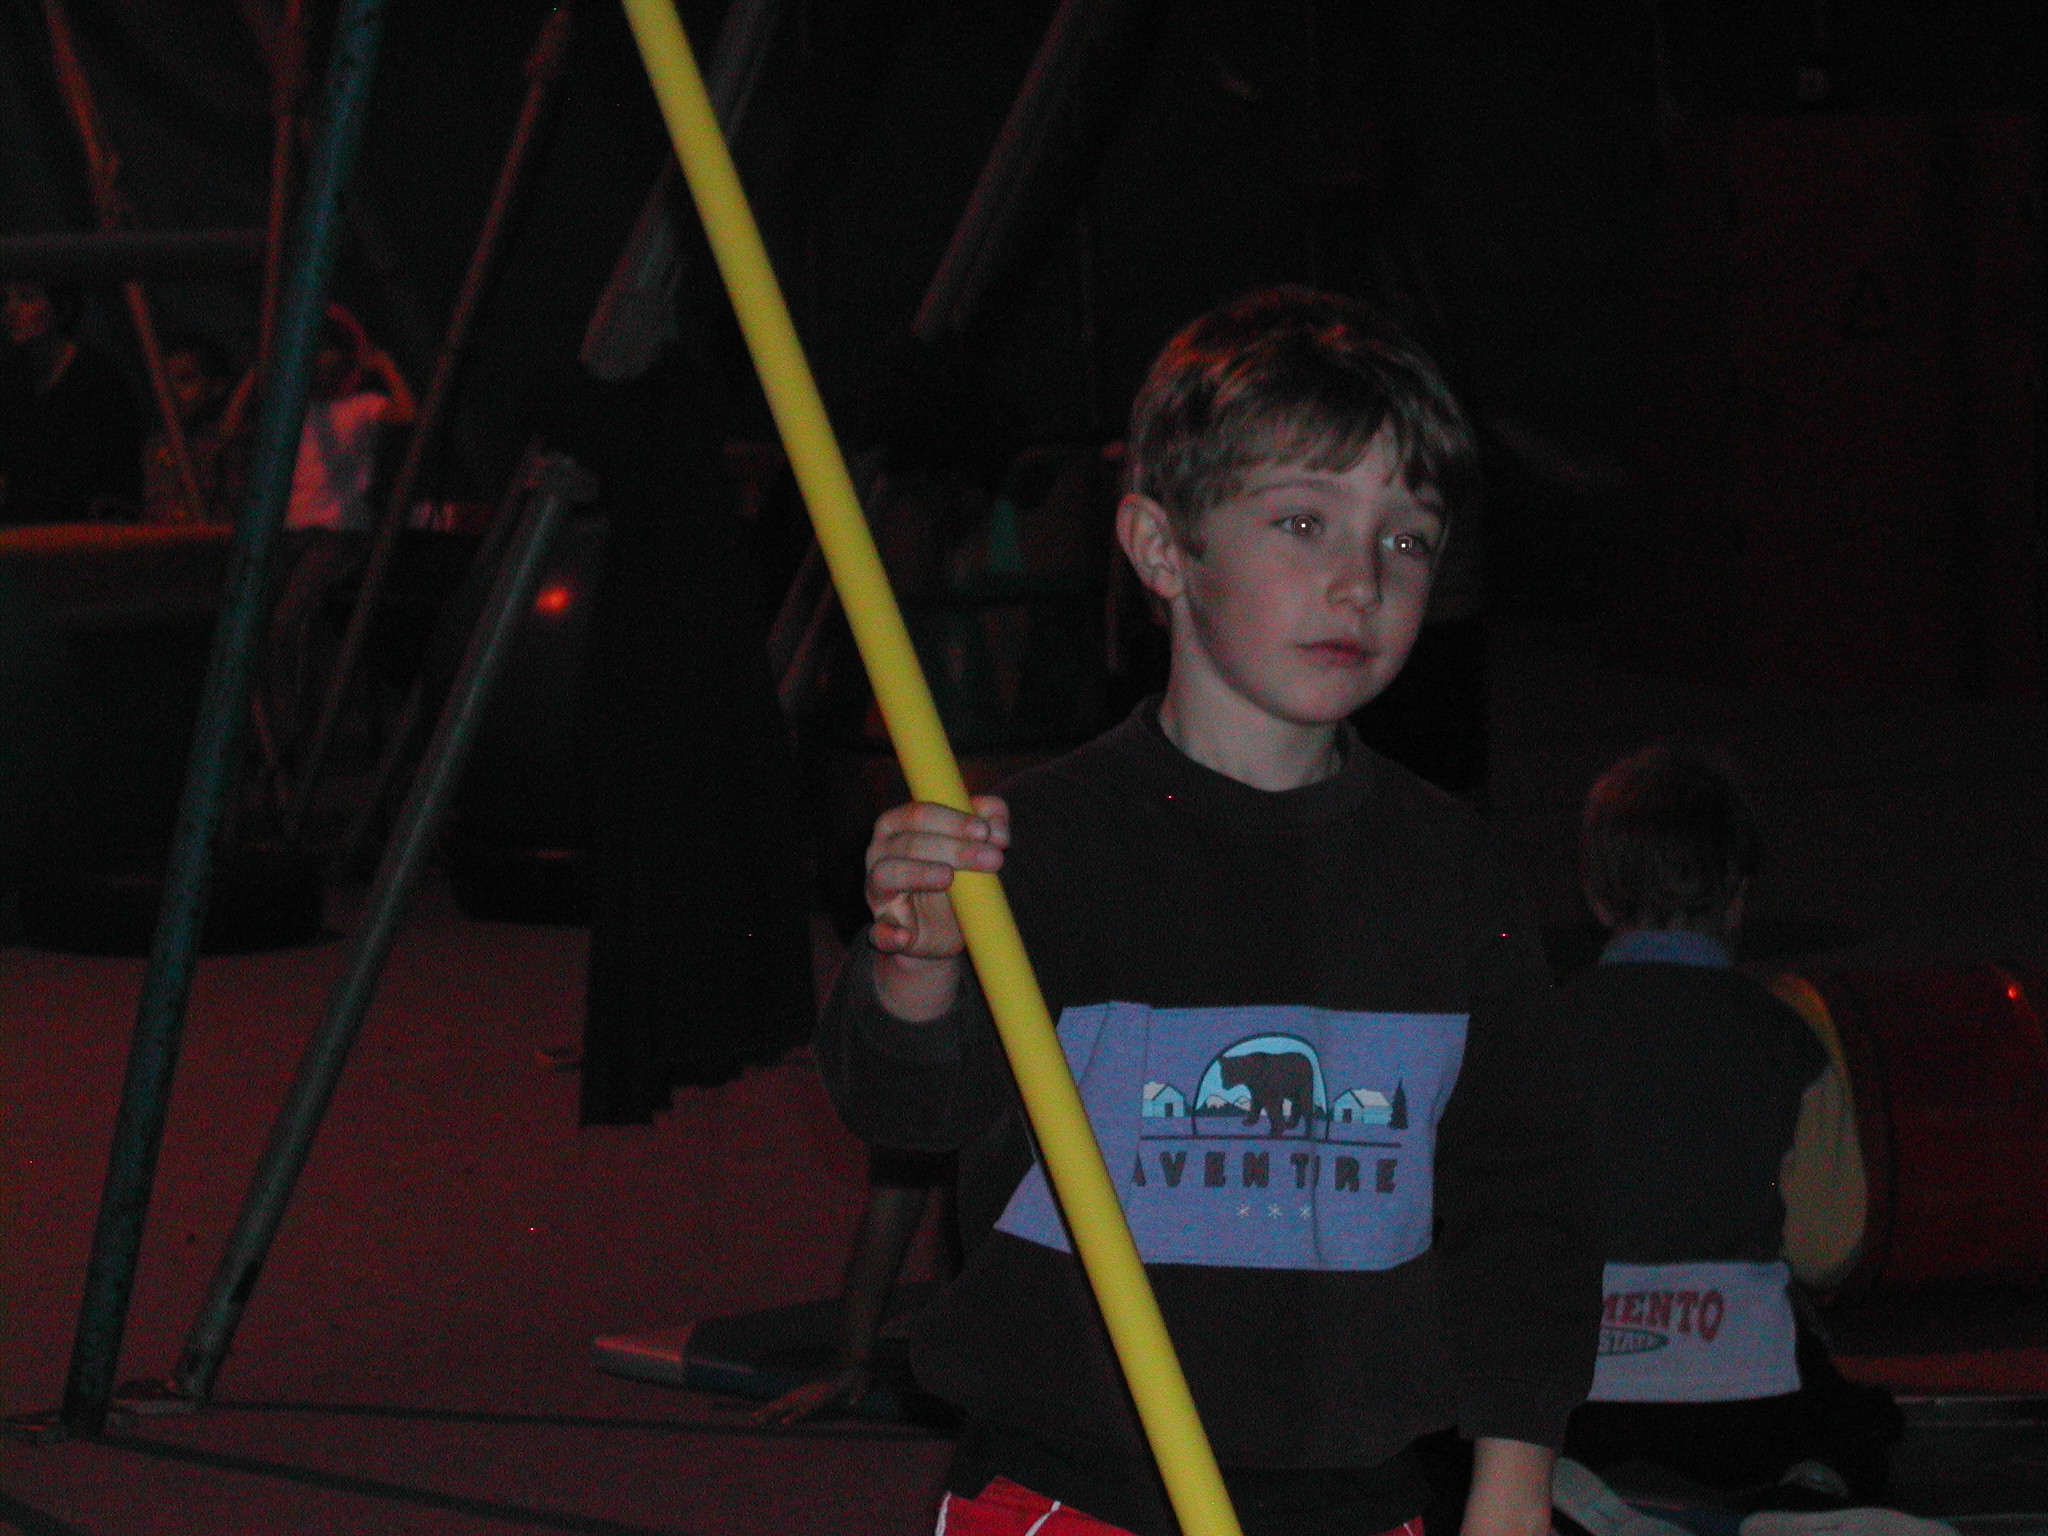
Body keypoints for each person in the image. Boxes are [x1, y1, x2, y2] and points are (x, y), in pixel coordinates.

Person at [817, 286, 1600, 1536]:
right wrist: (917, 967)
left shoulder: (1448, 871)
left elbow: (1527, 1199)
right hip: (1069, 1491)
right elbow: (905, 1109)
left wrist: (1510, 1485)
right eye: (1302, 521)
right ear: (1158, 547)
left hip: (1356, 1494)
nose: (1359, 581)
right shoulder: (1041, 846)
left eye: (1405, 539)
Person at [1557, 742, 1902, 1507]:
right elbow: (1828, 1247)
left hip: (1577, 1405)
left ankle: (1569, 1491)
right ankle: (1804, 1489)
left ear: (1596, 896)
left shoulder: (1540, 1035)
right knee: (1859, 1424)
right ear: (1738, 898)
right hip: (1746, 1404)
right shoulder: (1788, 1040)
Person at [0, 278, 141, 525]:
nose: (10, 311)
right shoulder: (11, 378)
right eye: (5, 300)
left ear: (61, 306)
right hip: (23, 528)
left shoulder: (97, 378)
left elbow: (114, 474)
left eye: (27, 298)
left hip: (84, 529)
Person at [141, 333, 245, 525]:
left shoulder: (226, 444)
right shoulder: (157, 443)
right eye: (164, 381)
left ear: (216, 387)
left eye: (185, 379)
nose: (171, 391)